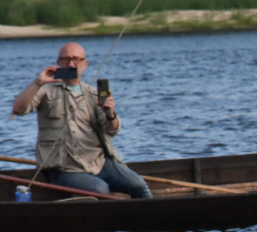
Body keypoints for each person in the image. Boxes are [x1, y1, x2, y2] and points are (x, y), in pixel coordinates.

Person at [11, 42, 152, 198]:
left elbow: (111, 131)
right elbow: (18, 109)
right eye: (66, 59)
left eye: (76, 59)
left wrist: (110, 114)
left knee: (139, 185)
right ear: (58, 63)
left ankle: (149, 220)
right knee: (100, 189)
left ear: (84, 64)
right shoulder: (44, 89)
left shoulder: (94, 93)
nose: (71, 64)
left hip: (98, 163)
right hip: (63, 168)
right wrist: (38, 82)